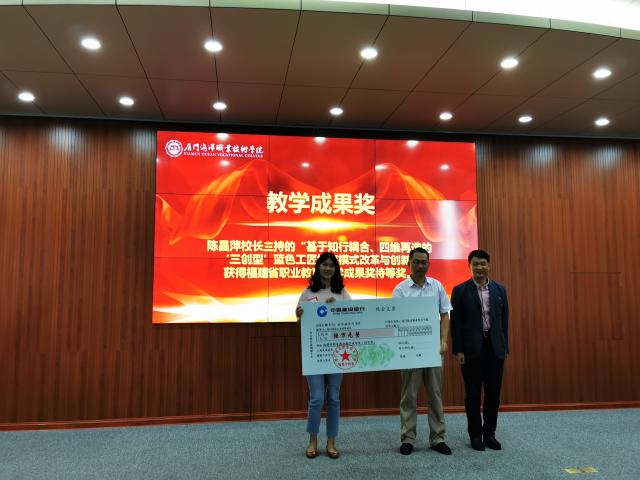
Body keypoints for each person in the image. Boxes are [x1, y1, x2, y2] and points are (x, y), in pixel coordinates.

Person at [393, 247, 452, 456]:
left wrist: (443, 341)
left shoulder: (436, 286)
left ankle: (438, 438)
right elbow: (395, 320)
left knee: (435, 394)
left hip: (433, 348)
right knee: (409, 395)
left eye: (424, 262)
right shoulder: (400, 290)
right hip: (410, 349)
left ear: (428, 263)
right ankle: (408, 438)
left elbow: (445, 315)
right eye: (416, 262)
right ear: (408, 263)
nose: (420, 266)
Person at [450, 249, 509, 451]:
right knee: (473, 394)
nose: (480, 267)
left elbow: (504, 321)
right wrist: (458, 350)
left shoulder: (500, 289)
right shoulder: (460, 290)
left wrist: (504, 346)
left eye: (483, 263)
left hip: (495, 349)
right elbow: (456, 324)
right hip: (471, 350)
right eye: (475, 264)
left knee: (493, 394)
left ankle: (489, 434)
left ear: (488, 265)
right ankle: (475, 435)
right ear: (470, 266)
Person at [295, 252, 351, 459]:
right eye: (324, 264)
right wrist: (299, 315)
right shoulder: (308, 292)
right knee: (317, 399)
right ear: (318, 267)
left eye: (331, 265)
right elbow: (301, 323)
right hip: (315, 354)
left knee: (334, 398)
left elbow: (354, 318)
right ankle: (312, 440)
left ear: (336, 269)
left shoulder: (342, 293)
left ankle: (331, 441)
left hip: (337, 353)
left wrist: (338, 309)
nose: (328, 268)